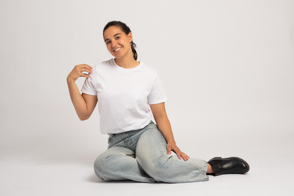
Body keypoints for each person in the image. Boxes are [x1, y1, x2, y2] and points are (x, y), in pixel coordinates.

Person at [66, 20, 250, 183]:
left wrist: (171, 141)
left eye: (117, 37)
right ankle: (158, 168)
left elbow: (160, 115)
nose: (114, 44)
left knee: (155, 165)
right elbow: (84, 114)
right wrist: (71, 81)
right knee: (101, 166)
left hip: (145, 133)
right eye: (108, 41)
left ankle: (211, 166)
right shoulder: (98, 72)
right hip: (117, 142)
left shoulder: (149, 74)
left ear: (129, 36)